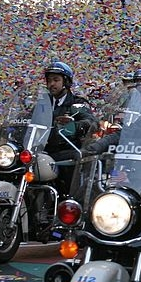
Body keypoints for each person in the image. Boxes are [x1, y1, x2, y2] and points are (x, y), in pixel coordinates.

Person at [43, 61, 99, 191]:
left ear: (66, 82)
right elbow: (28, 118)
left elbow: (91, 121)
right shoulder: (42, 103)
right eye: (49, 80)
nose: (51, 84)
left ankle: (68, 199)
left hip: (65, 149)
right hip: (43, 149)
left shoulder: (76, 103)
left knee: (71, 160)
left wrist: (73, 126)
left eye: (56, 80)